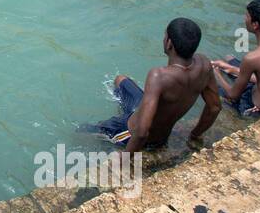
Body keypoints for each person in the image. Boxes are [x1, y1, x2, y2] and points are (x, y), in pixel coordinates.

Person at [83, 18, 221, 152]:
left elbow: (142, 132)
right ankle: (128, 112)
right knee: (120, 80)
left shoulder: (159, 76)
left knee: (82, 132)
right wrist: (194, 134)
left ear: (169, 43)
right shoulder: (204, 64)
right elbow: (214, 107)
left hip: (127, 132)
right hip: (160, 136)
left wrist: (125, 159)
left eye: (165, 35)